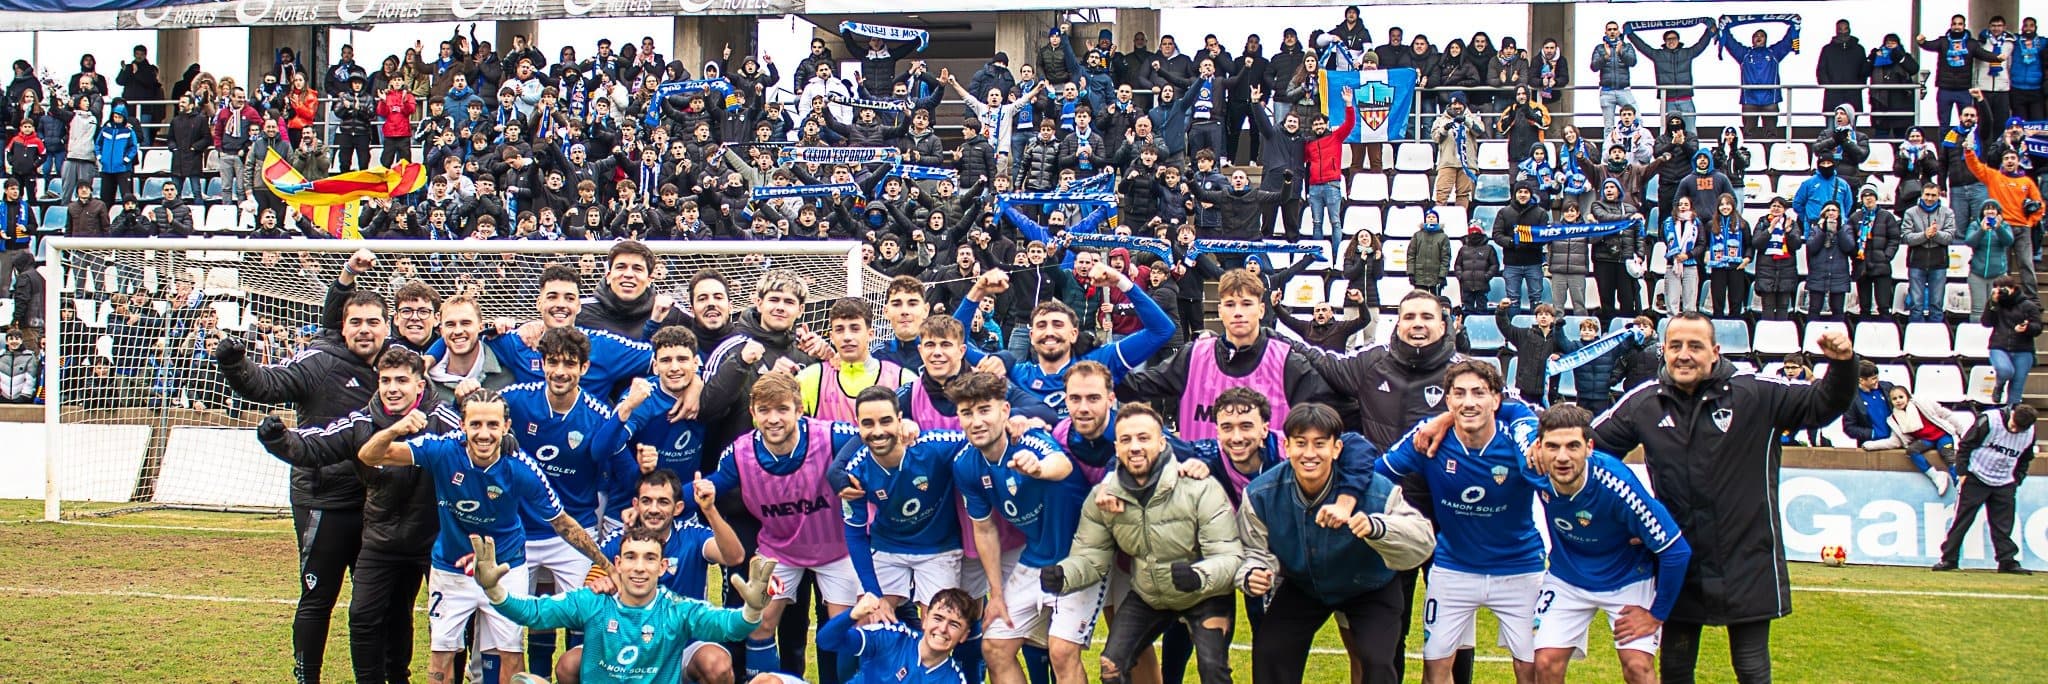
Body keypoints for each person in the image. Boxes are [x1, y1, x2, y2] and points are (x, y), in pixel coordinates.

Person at [1592, 313, 1858, 684]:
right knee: (1676, 669)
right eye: (1676, 346)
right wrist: (1624, 523)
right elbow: (1589, 451)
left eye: (1695, 346)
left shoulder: (1757, 393)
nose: (1684, 355)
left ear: (1715, 352)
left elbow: (1823, 404)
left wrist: (1843, 365)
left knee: (1751, 670)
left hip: (1747, 557)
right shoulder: (1644, 402)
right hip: (1679, 560)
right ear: (1663, 351)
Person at [356, 387, 611, 684]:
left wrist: (606, 565)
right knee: (441, 654)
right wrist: (397, 428)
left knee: (511, 652)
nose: (484, 434)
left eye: (492, 425)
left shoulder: (520, 468)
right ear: (463, 425)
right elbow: (369, 455)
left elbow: (563, 523)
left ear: (505, 426)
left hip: (506, 568)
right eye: (475, 424)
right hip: (451, 568)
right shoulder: (442, 450)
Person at [255, 347, 456, 684]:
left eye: (402, 381)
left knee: (447, 621)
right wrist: (279, 439)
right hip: (381, 539)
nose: (393, 388)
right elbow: (316, 445)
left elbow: (484, 439)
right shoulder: (362, 421)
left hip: (434, 540)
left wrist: (505, 443)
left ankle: (407, 678)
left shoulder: (443, 420)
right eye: (386, 380)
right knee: (363, 616)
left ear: (419, 386)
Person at [216, 289, 384, 684]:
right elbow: (268, 385)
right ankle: (307, 678)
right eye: (355, 322)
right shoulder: (319, 362)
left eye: (372, 322)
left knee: (375, 604)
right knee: (317, 598)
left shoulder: (396, 366)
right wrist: (235, 363)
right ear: (342, 328)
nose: (364, 330)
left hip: (377, 505)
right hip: (324, 499)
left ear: (386, 326)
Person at [1045, 401, 1242, 684]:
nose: (1134, 447)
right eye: (1125, 439)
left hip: (1205, 594)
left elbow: (1229, 555)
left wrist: (1198, 576)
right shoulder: (1103, 496)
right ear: (1116, 448)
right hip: (1149, 594)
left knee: (1213, 670)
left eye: (1143, 438)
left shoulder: (1200, 487)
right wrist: (1064, 575)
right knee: (1111, 666)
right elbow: (1091, 556)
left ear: (1162, 443)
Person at [1238, 402, 1434, 684]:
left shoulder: (1377, 491)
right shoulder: (1261, 493)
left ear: (1336, 448)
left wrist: (1377, 527)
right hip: (1305, 584)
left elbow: (1423, 539)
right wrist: (1255, 572)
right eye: (1300, 443)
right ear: (1286, 447)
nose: (1309, 453)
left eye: (1320, 444)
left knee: (1378, 661)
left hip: (1370, 584)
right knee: (1271, 651)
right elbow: (1254, 550)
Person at [1378, 360, 1546, 684]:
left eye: (1479, 393)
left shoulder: (1518, 435)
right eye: (1460, 394)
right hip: (1453, 568)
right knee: (1435, 668)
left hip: (1520, 568)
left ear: (1496, 400)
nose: (1469, 402)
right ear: (1448, 400)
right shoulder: (1428, 438)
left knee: (1532, 669)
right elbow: (1377, 473)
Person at [704, 370, 863, 679]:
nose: (773, 419)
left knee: (844, 628)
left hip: (836, 548)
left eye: (782, 409)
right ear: (752, 413)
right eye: (764, 410)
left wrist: (906, 428)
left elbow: (869, 436)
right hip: (780, 549)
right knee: (760, 623)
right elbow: (712, 485)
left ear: (799, 409)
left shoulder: (831, 436)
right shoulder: (740, 453)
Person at [468, 531, 776, 684]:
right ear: (617, 563)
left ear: (663, 567)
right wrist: (494, 590)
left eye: (649, 558)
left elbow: (729, 626)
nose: (639, 567)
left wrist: (751, 610)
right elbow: (532, 612)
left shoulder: (677, 609)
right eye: (631, 557)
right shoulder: (592, 602)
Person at [1528, 403, 1692, 684]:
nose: (1562, 457)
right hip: (1568, 578)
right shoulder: (1531, 466)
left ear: (1589, 447)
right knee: (1544, 663)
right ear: (1539, 447)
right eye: (1553, 447)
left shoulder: (1619, 486)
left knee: (1638, 667)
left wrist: (1656, 615)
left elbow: (1676, 551)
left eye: (1573, 446)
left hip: (1627, 578)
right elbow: (1505, 407)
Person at [947, 370, 1090, 684]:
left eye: (984, 410)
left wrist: (1037, 468)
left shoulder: (1028, 438)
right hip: (1035, 557)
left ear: (1005, 411)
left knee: (1062, 652)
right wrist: (995, 594)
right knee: (995, 647)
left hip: (1082, 556)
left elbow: (1061, 465)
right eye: (967, 413)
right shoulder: (966, 464)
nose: (976, 421)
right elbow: (984, 529)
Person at [1121, 269, 1329, 440]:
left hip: (1266, 485)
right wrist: (1096, 358)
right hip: (1201, 482)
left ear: (1262, 309)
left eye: (1247, 304)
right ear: (1220, 311)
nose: (1238, 312)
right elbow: (1136, 386)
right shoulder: (1193, 356)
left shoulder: (1288, 363)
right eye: (1230, 304)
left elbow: (1327, 424)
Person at [1934, 404, 2038, 575]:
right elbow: (1966, 445)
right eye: (2013, 425)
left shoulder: (2029, 433)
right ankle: (1949, 558)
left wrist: (2016, 480)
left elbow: (2026, 458)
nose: (2014, 430)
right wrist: (1962, 472)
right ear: (2012, 414)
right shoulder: (1990, 420)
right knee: (1963, 519)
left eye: (2019, 429)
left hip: (2005, 481)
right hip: (1976, 476)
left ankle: (2007, 561)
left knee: (2003, 525)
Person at [818, 590, 977, 684]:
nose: (943, 629)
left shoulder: (954, 680)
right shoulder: (891, 637)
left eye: (954, 625)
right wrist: (852, 615)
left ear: (964, 635)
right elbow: (826, 641)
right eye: (938, 618)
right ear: (925, 619)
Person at [1858, 384, 1967, 496]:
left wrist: (1960, 431)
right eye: (1894, 399)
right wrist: (1870, 445)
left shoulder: (1923, 403)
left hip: (1942, 436)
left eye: (1901, 397)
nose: (1898, 401)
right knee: (1911, 450)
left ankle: (1959, 484)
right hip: (1926, 440)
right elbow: (1894, 442)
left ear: (1907, 397)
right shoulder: (1893, 419)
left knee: (1948, 455)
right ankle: (1936, 476)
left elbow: (1946, 414)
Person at [1627, 20, 1717, 136]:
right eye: (1668, 39)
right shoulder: (1658, 55)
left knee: (1690, 132)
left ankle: (1693, 153)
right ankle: (1668, 154)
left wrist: (1709, 31)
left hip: (1686, 99)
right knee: (1668, 133)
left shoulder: (1687, 53)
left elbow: (1701, 45)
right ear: (1664, 42)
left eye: (1673, 38)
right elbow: (1643, 47)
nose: (1671, 41)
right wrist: (1630, 34)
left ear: (1678, 40)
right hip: (1667, 100)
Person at [1720, 21, 1800, 139]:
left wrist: (1795, 25)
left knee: (1771, 133)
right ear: (1752, 40)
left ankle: (1770, 155)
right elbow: (1730, 42)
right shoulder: (1744, 54)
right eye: (1756, 36)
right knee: (1748, 134)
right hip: (1750, 100)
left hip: (1770, 100)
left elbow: (1787, 41)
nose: (1759, 37)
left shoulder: (1774, 53)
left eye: (1762, 36)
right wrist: (1724, 27)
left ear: (1766, 40)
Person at [1983, 275, 2042, 409]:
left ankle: (2010, 414)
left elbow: (2038, 328)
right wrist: (1993, 303)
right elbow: (1986, 322)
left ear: (2013, 289)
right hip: (1999, 345)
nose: (2001, 292)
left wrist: (2027, 328)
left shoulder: (2028, 306)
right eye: (1997, 289)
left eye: (2003, 289)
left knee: (2017, 386)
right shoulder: (1995, 304)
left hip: (2023, 349)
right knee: (2005, 371)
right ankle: (1999, 385)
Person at [1902, 184, 1958, 323]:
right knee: (1916, 305)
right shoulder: (1910, 212)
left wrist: (1935, 234)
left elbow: (1950, 237)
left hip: (1939, 262)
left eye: (1933, 195)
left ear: (1939, 196)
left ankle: (1937, 337)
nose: (1930, 198)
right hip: (1917, 262)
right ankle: (1915, 335)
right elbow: (1906, 237)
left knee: (1937, 305)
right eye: (1927, 194)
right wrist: (1925, 235)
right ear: (1922, 195)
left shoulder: (1948, 213)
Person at [1847, 186, 1903, 321]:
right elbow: (1848, 239)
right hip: (1862, 266)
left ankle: (1887, 331)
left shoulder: (1886, 216)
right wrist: (1855, 254)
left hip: (1881, 265)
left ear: (1876, 198)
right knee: (1864, 306)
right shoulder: (1855, 217)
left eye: (1871, 196)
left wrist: (1887, 256)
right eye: (1865, 197)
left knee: (1883, 305)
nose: (1868, 199)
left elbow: (1894, 238)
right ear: (1862, 200)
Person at [1962, 200, 2016, 318]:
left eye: (1993, 208)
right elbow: (1969, 242)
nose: (1990, 211)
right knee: (1978, 310)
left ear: (1998, 212)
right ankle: (1977, 335)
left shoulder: (2005, 225)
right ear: (1982, 212)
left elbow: (2009, 241)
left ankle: (1996, 335)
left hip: (1998, 275)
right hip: (1977, 274)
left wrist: (1999, 228)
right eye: (1987, 208)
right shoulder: (1974, 225)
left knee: (1998, 309)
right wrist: (1982, 230)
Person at [1588, 22, 1640, 131]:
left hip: (1624, 90)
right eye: (1610, 29)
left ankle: (1635, 146)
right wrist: (1606, 56)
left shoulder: (1627, 46)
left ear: (1618, 32)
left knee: (1637, 120)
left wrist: (1620, 52)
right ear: (1606, 32)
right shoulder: (1600, 48)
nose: (1612, 32)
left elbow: (1633, 62)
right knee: (1608, 127)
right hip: (1607, 92)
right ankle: (1607, 148)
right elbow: (1594, 67)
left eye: (1615, 29)